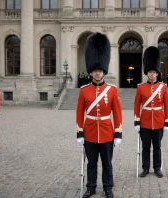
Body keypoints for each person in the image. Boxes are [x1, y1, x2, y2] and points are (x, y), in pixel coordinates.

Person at [76, 32, 122, 198]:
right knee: (92, 164)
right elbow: (80, 112)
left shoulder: (111, 90)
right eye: (95, 70)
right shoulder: (84, 91)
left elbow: (117, 112)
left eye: (100, 70)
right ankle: (91, 186)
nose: (97, 73)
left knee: (107, 163)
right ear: (91, 71)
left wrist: (118, 132)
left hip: (106, 132)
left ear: (103, 72)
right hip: (89, 132)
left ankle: (108, 187)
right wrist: (80, 131)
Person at [134, 46, 168, 178]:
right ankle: (145, 168)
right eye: (149, 72)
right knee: (145, 148)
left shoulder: (163, 88)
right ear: (147, 73)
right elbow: (136, 105)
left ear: (157, 73)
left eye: (154, 72)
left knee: (157, 147)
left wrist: (167, 122)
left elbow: (166, 105)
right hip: (144, 122)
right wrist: (136, 121)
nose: (151, 74)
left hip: (159, 121)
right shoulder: (140, 88)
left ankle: (157, 168)